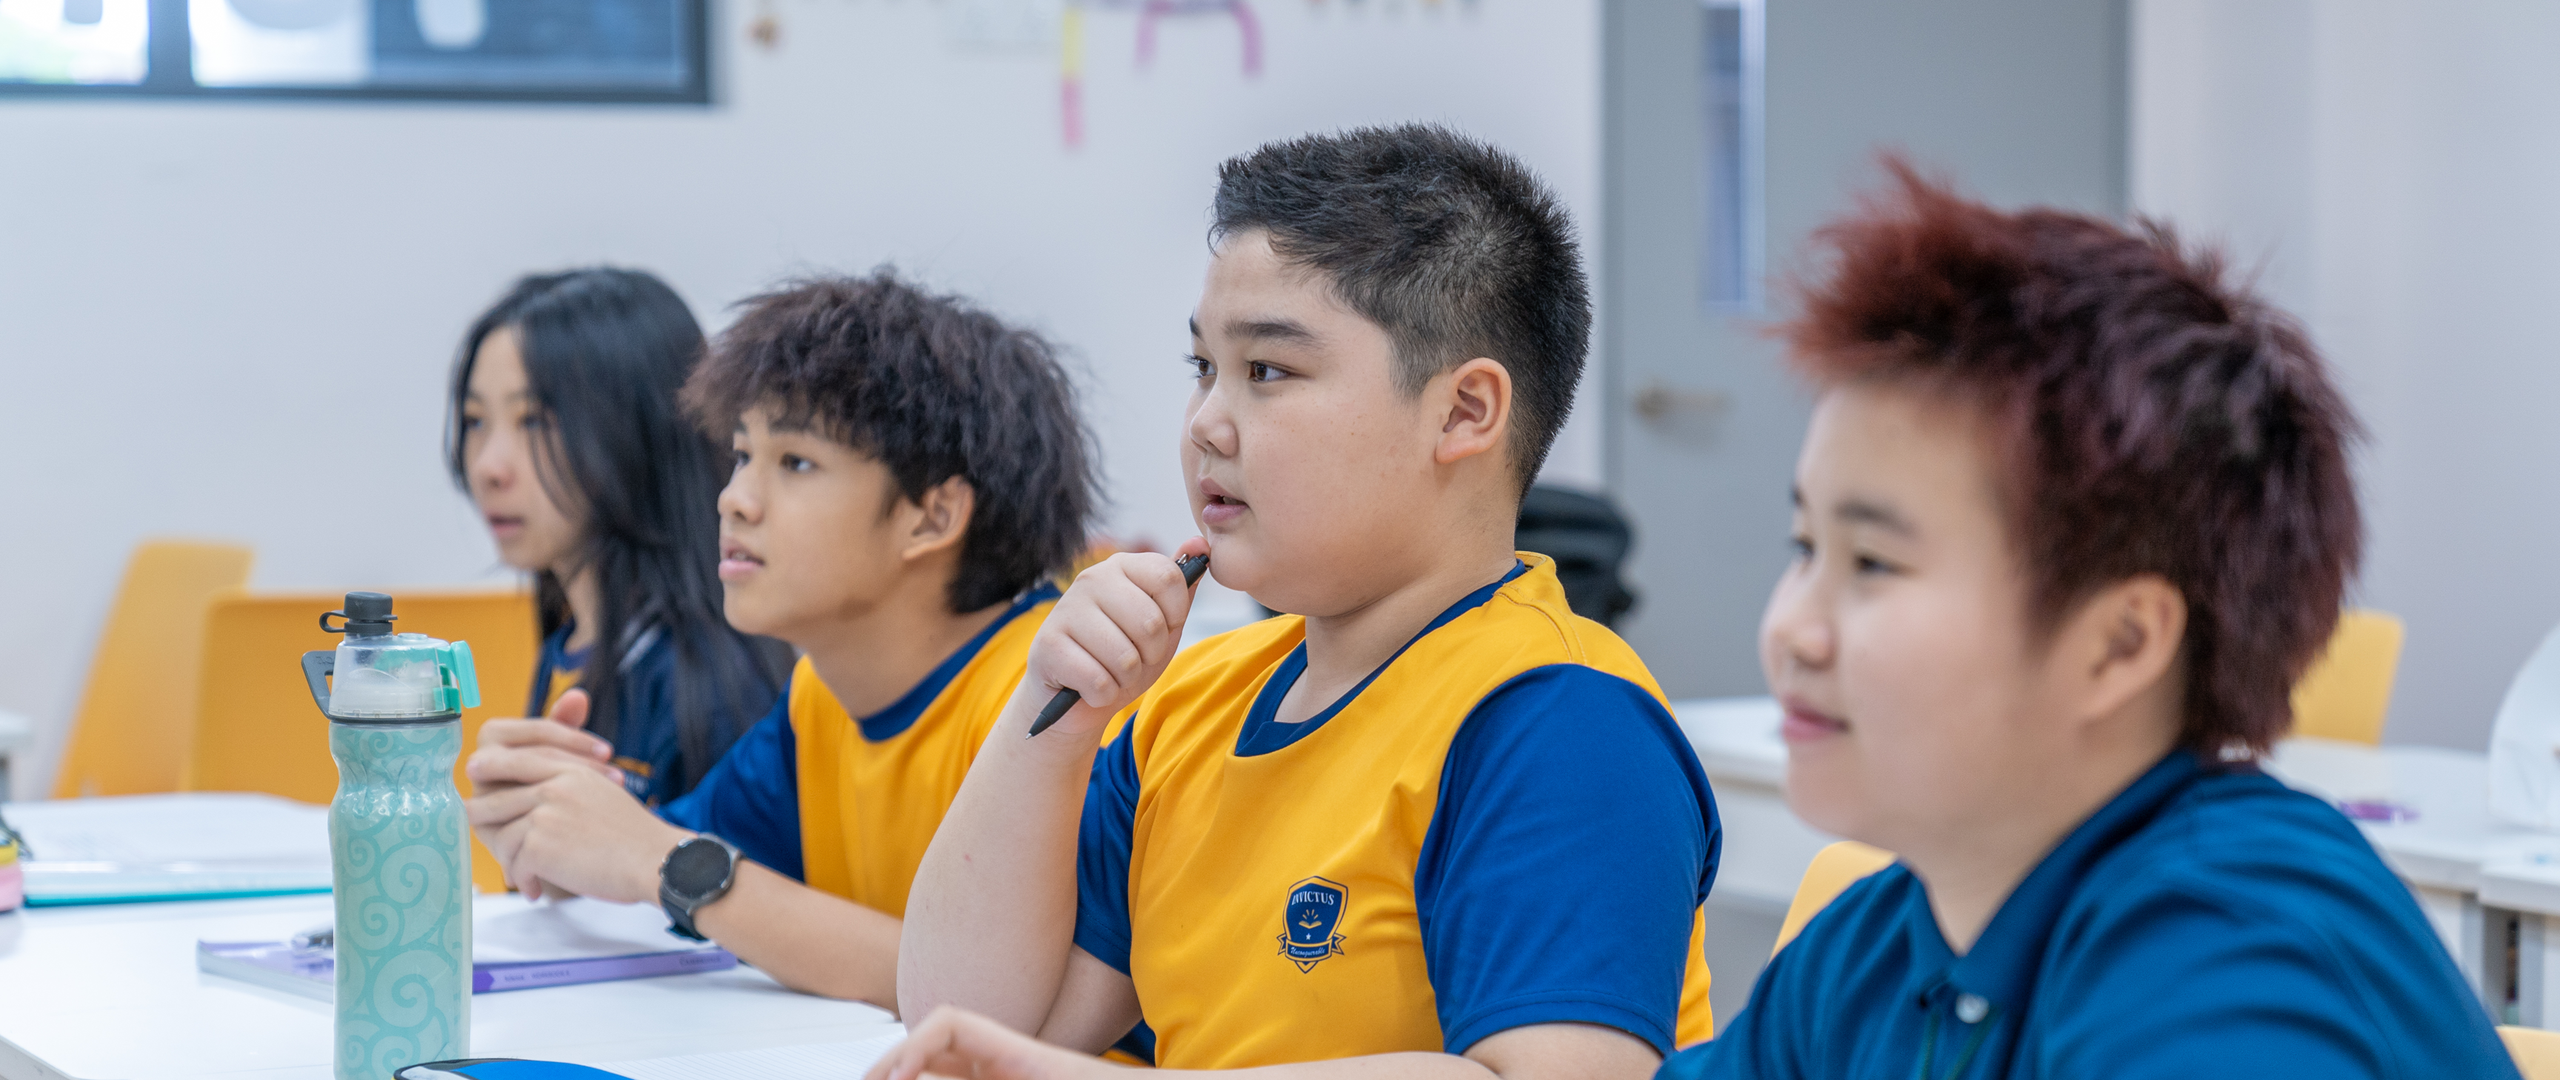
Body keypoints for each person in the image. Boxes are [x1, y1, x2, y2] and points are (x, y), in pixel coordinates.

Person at [883, 124, 1721, 1080]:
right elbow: (969, 1029)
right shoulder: (1186, 707)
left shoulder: (1561, 719)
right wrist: (1051, 716)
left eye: (1267, 372)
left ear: (1464, 412)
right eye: (1202, 368)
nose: (1206, 424)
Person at [1655, 163, 2517, 1078]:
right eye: (1803, 548)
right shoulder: (1877, 950)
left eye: (1873, 563)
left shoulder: (2228, 966)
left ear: (2121, 644)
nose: (1792, 630)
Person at [462, 272, 1100, 1008]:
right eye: (740, 456)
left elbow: (1001, 999)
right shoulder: (819, 696)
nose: (734, 498)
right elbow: (661, 860)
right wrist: (553, 822)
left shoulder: (1053, 697)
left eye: (795, 462)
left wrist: (652, 857)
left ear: (932, 516)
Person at [450, 268, 792, 806]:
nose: (490, 467)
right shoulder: (571, 645)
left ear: (639, 428)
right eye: (474, 421)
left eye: (534, 422)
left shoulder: (711, 685)